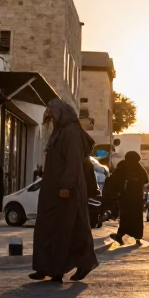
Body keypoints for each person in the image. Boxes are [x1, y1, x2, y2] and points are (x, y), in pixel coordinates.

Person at [29, 99, 98, 283]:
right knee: (47, 227)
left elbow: (73, 161)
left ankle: (71, 266)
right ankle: (45, 267)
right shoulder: (59, 131)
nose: (51, 119)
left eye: (53, 114)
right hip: (52, 189)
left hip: (67, 189)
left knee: (67, 229)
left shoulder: (71, 132)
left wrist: (66, 186)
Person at [107, 151, 148, 244]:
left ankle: (120, 235)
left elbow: (115, 178)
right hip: (137, 198)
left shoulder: (123, 165)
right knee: (137, 218)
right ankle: (137, 238)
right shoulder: (139, 167)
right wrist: (137, 183)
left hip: (126, 197)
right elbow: (146, 180)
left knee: (125, 216)